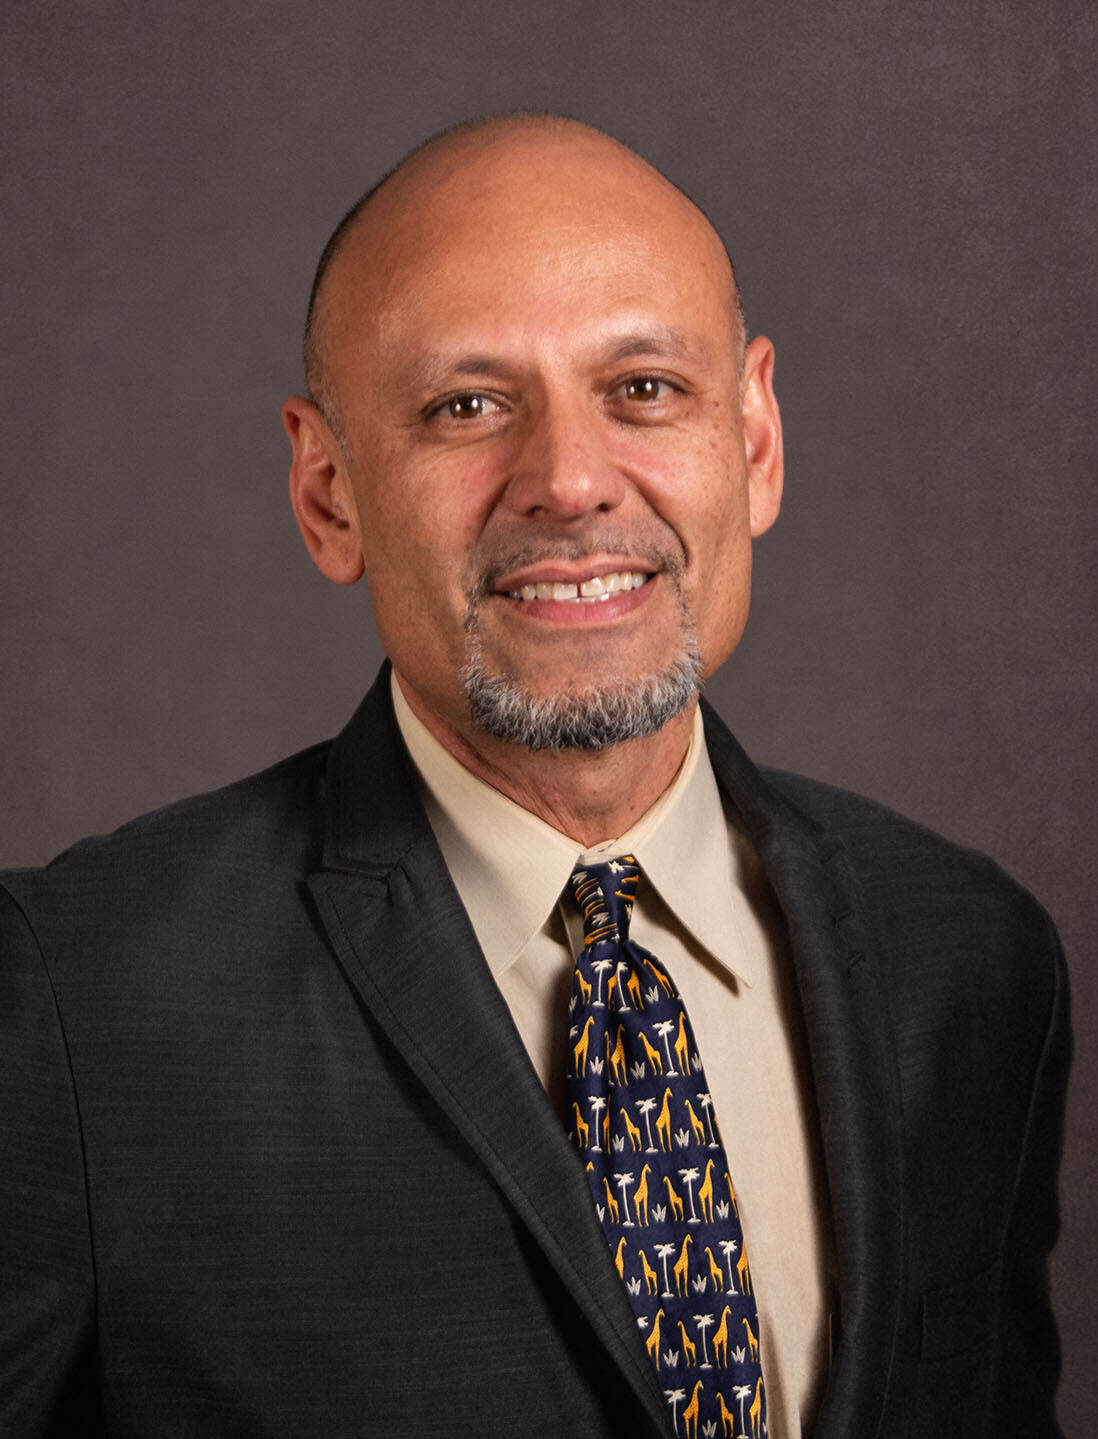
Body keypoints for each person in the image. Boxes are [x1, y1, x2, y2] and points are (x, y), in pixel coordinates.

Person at [0, 115, 1068, 1439]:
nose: (569, 482)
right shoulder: (69, 1005)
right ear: (327, 492)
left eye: (642, 390)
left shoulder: (967, 961)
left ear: (756, 439)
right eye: (466, 407)